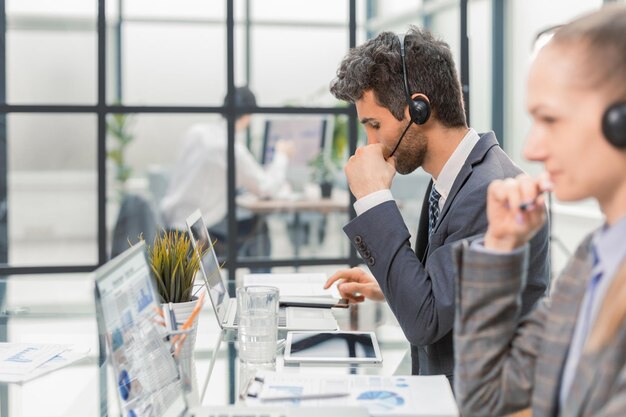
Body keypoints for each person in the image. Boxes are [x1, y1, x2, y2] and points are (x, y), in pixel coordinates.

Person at [323, 27, 551, 384]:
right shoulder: (455, 179)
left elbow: (424, 321)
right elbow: (449, 296)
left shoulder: (490, 191)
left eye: (374, 124)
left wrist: (373, 199)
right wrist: (391, 285)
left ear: (419, 108)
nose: (369, 144)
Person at [453, 5, 626, 416]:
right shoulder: (594, 259)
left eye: (550, 119)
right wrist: (499, 247)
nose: (531, 149)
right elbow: (485, 401)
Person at [160, 86, 293, 259]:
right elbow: (265, 188)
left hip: (168, 228)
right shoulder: (231, 148)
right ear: (247, 117)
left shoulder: (195, 132)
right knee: (259, 226)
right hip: (197, 235)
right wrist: (281, 155)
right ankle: (260, 284)